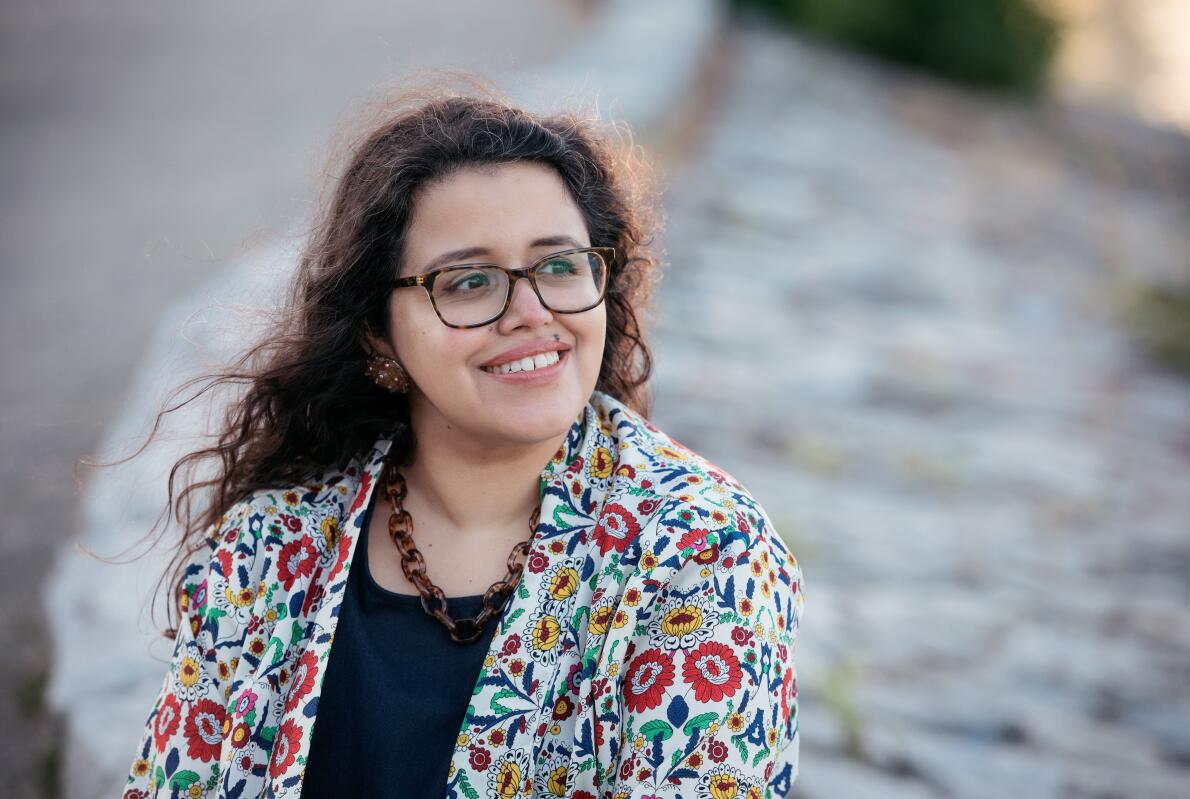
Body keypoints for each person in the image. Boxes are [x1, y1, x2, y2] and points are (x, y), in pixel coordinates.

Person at [122, 83, 805, 799]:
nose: (532, 312)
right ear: (378, 334)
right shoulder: (267, 550)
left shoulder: (701, 549)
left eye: (560, 265)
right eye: (470, 281)